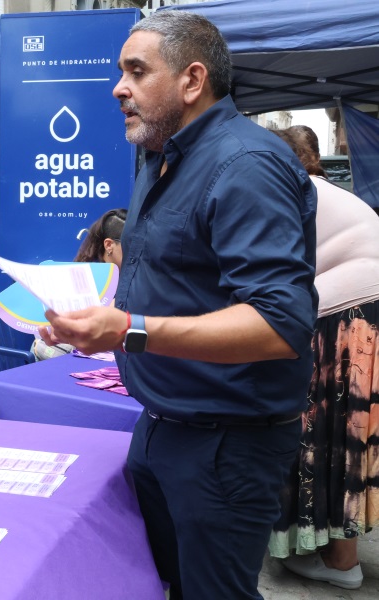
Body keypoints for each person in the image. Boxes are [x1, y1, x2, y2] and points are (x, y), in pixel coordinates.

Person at [40, 11, 317, 599]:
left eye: (137, 72)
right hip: (160, 426)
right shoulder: (158, 156)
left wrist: (130, 331)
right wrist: (94, 316)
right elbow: (173, 278)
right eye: (121, 72)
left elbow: (279, 321)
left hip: (225, 445)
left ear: (192, 81)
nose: (119, 87)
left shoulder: (247, 165)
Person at [268, 125, 379, 590]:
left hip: (348, 311)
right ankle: (340, 553)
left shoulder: (287, 189)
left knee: (327, 430)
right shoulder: (319, 190)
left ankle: (339, 559)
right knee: (353, 433)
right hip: (365, 310)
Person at [32, 208, 127, 361]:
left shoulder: (132, 274)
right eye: (131, 244)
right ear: (109, 245)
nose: (139, 251)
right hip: (61, 350)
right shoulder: (83, 276)